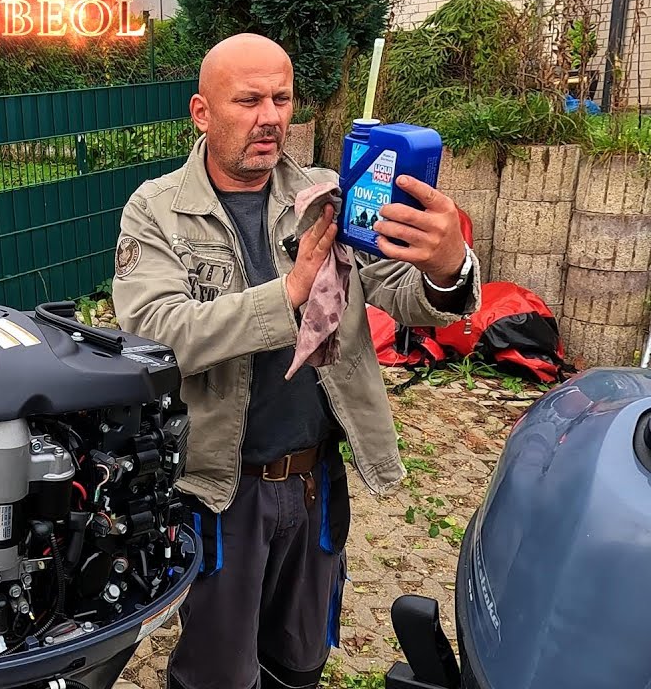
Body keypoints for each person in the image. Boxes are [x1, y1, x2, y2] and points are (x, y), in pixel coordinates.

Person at [110, 34, 481, 689]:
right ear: (201, 112)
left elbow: (401, 291)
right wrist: (287, 294)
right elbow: (157, 333)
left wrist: (447, 267)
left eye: (281, 99)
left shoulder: (328, 196)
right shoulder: (157, 210)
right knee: (218, 673)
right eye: (248, 100)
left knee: (300, 661)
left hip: (315, 483)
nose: (270, 117)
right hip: (223, 491)